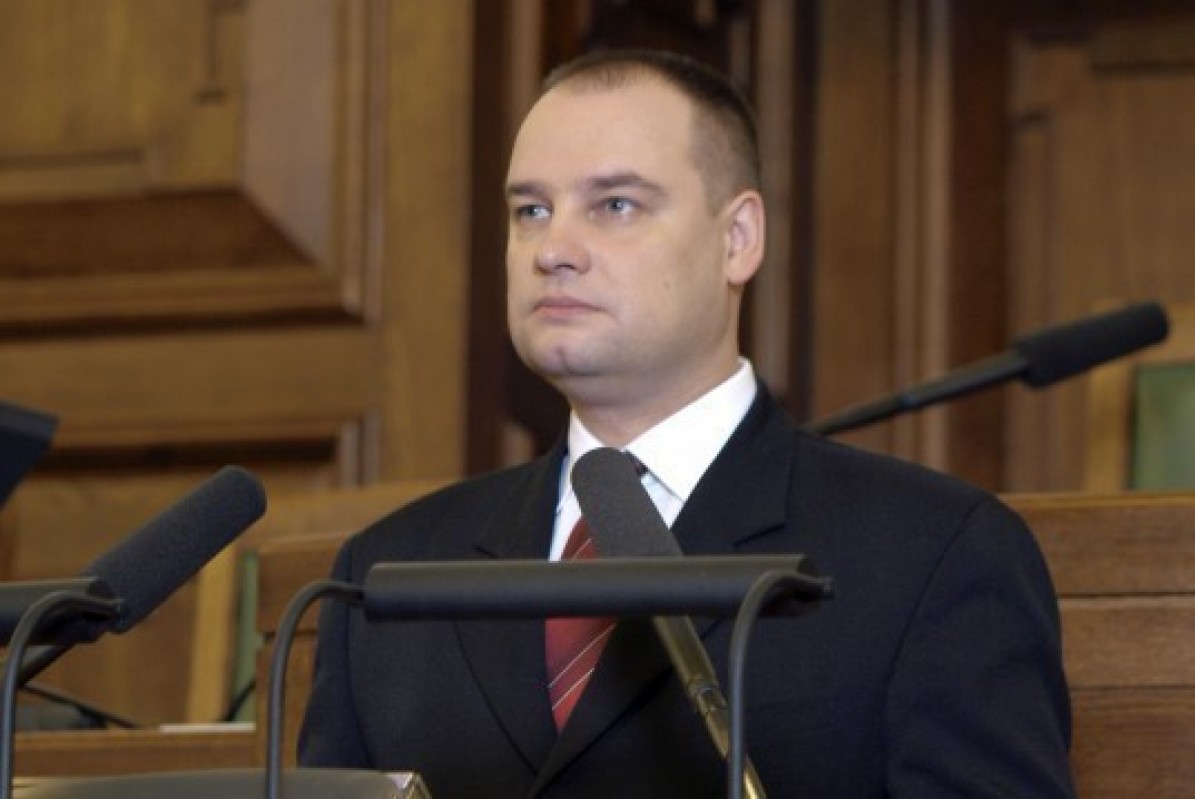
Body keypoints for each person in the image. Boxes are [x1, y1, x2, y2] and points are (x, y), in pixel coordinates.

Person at [299, 49, 1075, 797]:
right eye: (531, 210)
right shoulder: (385, 572)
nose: (553, 249)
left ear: (737, 239)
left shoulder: (931, 554)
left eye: (615, 205)